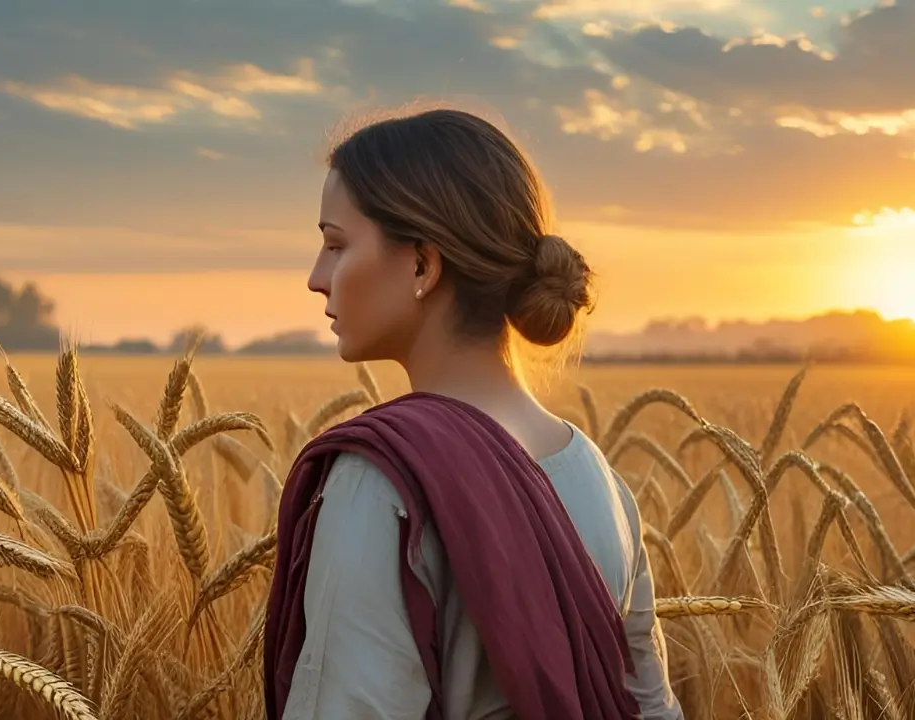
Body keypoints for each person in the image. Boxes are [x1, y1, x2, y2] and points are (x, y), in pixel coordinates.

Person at [262, 106, 682, 720]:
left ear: (422, 265)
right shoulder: (600, 478)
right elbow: (653, 708)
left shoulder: (383, 484)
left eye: (335, 244)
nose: (315, 278)